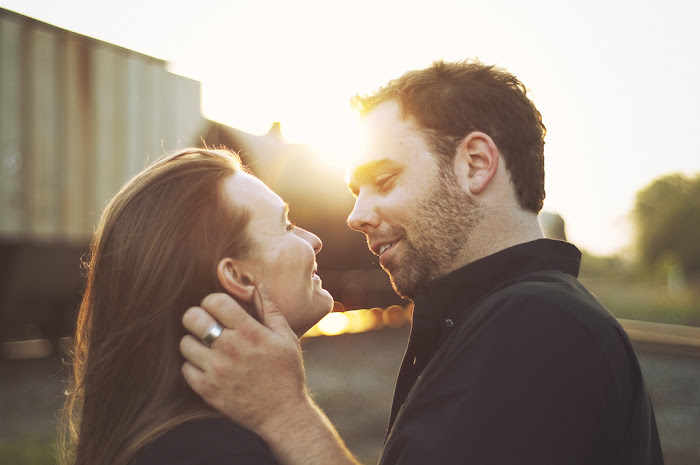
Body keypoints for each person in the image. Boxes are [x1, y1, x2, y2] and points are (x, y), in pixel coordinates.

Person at [179, 60, 664, 465]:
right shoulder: (499, 319)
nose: (356, 216)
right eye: (355, 191)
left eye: (384, 180)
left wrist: (283, 414)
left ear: (475, 164)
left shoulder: (538, 324)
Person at [59, 148, 336, 465]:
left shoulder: (171, 441)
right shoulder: (220, 454)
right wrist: (289, 414)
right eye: (286, 226)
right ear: (238, 276)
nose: (314, 240)